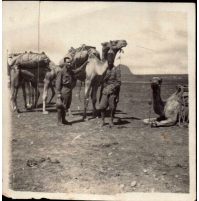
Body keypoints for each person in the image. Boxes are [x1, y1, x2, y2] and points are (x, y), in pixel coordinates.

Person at [99, 62, 121, 127]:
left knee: (112, 107)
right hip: (105, 90)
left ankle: (111, 121)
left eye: (110, 62)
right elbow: (101, 80)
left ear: (113, 62)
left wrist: (114, 88)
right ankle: (102, 121)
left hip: (113, 91)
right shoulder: (105, 70)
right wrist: (104, 81)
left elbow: (118, 82)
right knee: (102, 106)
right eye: (108, 62)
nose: (109, 63)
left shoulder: (117, 70)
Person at [56, 57, 75, 126]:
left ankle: (63, 120)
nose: (69, 63)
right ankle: (59, 121)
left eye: (70, 62)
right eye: (68, 62)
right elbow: (58, 83)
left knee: (66, 105)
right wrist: (58, 93)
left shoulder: (70, 71)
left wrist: (84, 65)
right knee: (61, 105)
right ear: (64, 63)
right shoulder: (61, 71)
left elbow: (76, 71)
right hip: (64, 89)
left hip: (69, 90)